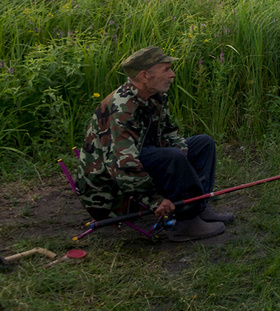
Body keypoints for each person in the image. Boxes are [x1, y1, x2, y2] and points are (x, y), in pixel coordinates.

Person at [76, 46, 233, 242]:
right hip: (108, 188)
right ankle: (186, 222)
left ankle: (199, 205)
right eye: (166, 70)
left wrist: (181, 151)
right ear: (144, 76)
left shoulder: (153, 97)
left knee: (203, 143)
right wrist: (155, 200)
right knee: (171, 158)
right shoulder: (122, 108)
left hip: (139, 158)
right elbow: (121, 166)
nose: (172, 74)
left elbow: (169, 132)